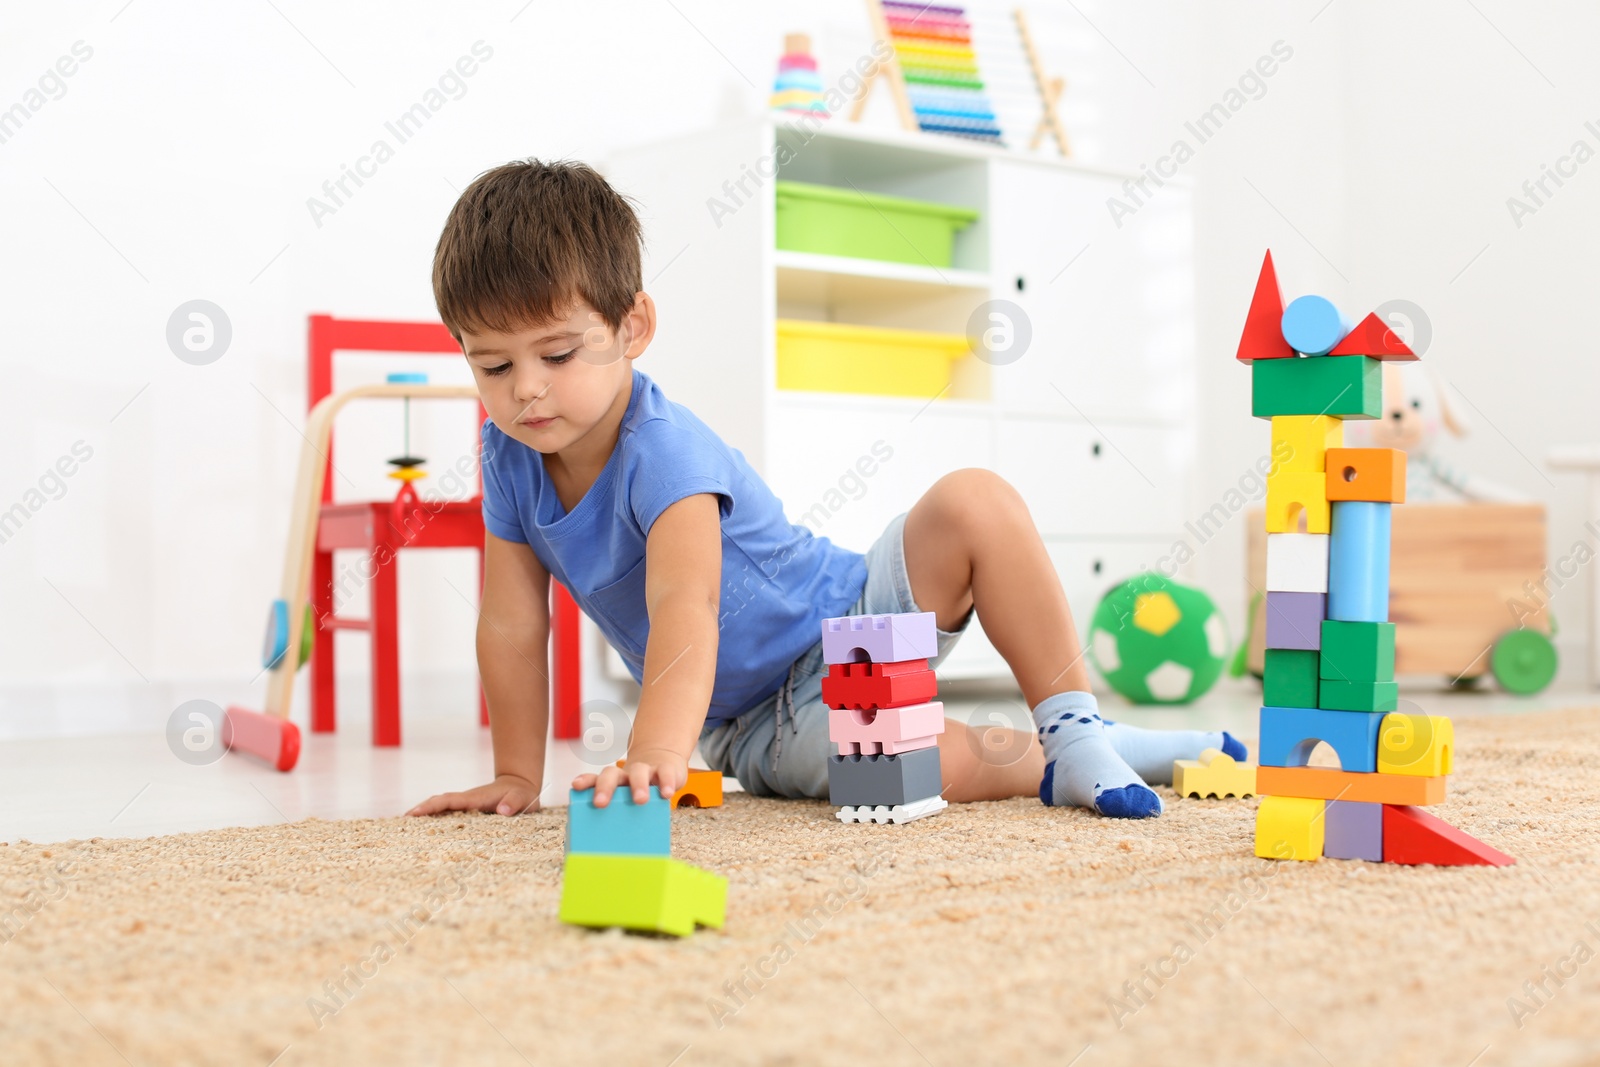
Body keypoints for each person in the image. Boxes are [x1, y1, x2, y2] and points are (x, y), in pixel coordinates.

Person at [407, 159, 1242, 822]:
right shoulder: (507, 453)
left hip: (850, 612)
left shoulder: (663, 450)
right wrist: (516, 773)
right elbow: (513, 623)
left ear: (633, 328)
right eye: (492, 365)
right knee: (892, 768)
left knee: (973, 500)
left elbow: (686, 605)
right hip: (762, 722)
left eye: (557, 355)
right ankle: (1058, 761)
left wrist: (652, 747)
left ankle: (1074, 724)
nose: (526, 390)